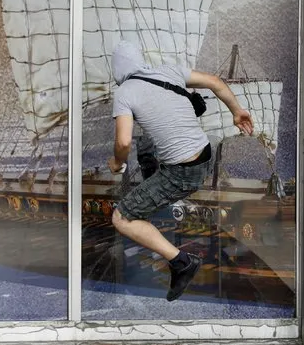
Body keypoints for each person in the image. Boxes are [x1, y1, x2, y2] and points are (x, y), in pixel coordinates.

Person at [107, 40, 254, 301]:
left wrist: (117, 163)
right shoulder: (168, 71)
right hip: (205, 155)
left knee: (122, 218)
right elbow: (216, 82)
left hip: (183, 173)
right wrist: (237, 111)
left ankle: (182, 262)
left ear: (117, 69)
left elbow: (123, 141)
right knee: (147, 142)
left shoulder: (124, 93)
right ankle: (153, 184)